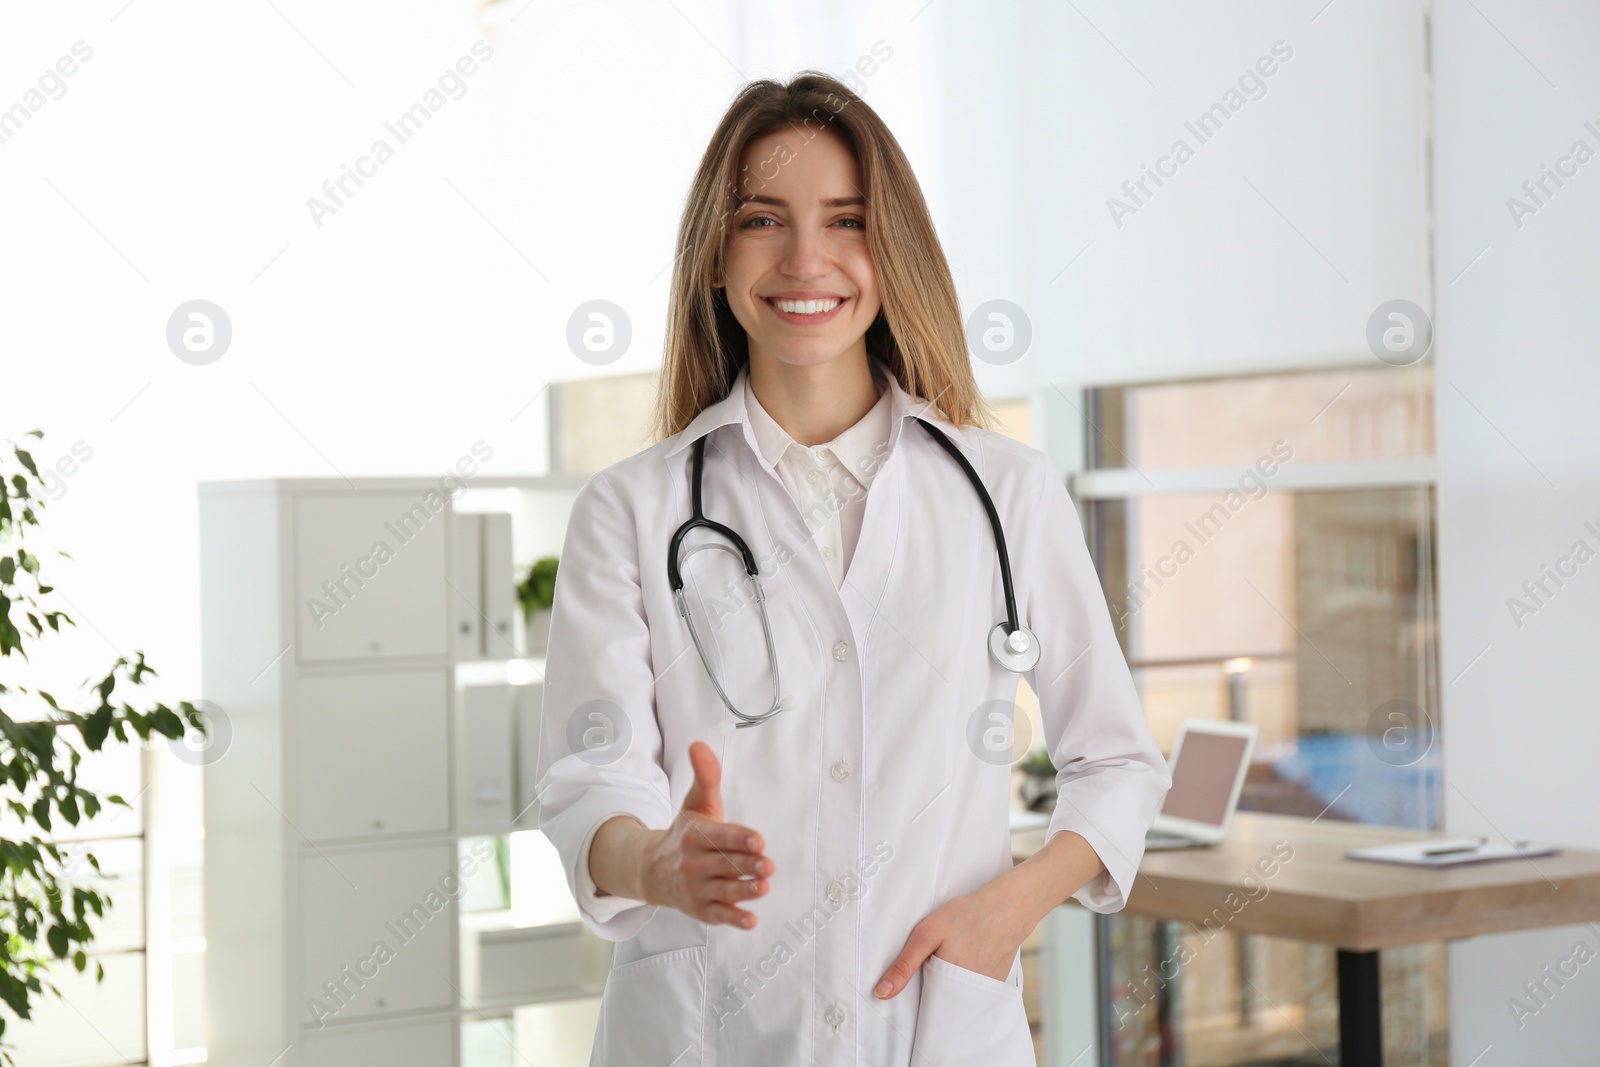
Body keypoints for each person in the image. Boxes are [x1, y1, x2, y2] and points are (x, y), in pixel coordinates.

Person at [536, 70, 1171, 1067]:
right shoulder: (631, 510)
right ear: (713, 254)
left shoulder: (1006, 492)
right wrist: (653, 858)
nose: (805, 258)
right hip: (707, 1030)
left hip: (939, 1024)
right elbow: (588, 774)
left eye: (846, 218)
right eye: (761, 219)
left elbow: (1118, 765)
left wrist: (1009, 906)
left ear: (892, 251)